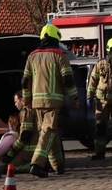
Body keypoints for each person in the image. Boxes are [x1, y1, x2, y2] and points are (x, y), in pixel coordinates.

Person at [23, 23, 78, 178]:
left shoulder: (31, 56)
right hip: (53, 102)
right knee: (48, 132)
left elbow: (25, 81)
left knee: (49, 132)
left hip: (36, 102)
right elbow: (68, 80)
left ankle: (58, 165)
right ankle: (36, 164)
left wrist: (27, 99)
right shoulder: (60, 55)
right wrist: (75, 98)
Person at [87, 36, 112, 160]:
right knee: (100, 128)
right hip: (102, 102)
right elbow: (92, 81)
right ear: (110, 50)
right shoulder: (100, 64)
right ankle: (99, 153)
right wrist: (90, 96)